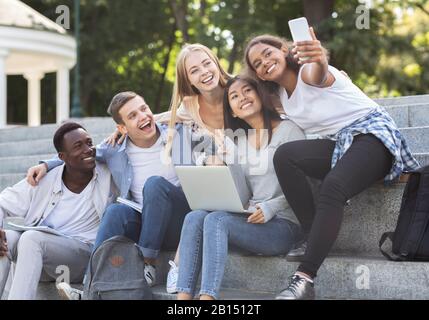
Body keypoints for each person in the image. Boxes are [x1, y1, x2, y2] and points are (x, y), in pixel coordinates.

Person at [244, 30, 420, 299]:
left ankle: (304, 280)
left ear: (283, 50)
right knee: (285, 155)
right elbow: (233, 94)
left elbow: (319, 72)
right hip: (344, 145)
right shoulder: (280, 96)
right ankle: (313, 233)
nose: (264, 62)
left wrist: (320, 58)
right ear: (259, 75)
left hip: (373, 137)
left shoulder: (307, 72)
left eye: (268, 53)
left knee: (332, 186)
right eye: (257, 63)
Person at [26, 91, 212, 299]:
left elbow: (212, 135)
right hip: (144, 224)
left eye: (144, 109)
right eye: (132, 116)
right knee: (115, 211)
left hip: (180, 223)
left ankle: (147, 264)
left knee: (154, 185)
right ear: (122, 128)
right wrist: (47, 164)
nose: (142, 116)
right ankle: (89, 287)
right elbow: (80, 153)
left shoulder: (178, 133)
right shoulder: (115, 148)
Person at [176, 75, 304, 300]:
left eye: (247, 91)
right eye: (234, 96)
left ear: (260, 95)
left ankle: (207, 299)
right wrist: (216, 163)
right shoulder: (240, 141)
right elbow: (233, 184)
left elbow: (307, 186)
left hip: (284, 224)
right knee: (194, 216)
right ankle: (183, 299)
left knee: (217, 220)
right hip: (250, 219)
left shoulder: (289, 131)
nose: (242, 98)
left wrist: (270, 208)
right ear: (232, 111)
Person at [0, 123, 114, 300]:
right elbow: (2, 202)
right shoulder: (44, 180)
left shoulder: (107, 173)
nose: (88, 149)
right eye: (78, 146)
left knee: (31, 238)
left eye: (89, 143)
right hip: (41, 259)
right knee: (5, 239)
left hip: (83, 258)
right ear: (62, 157)